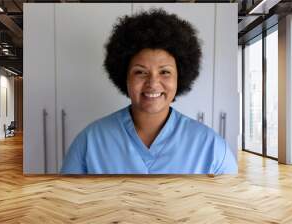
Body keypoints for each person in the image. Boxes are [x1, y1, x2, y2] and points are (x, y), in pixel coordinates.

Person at [60, 8, 237, 174]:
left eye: (165, 72)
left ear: (180, 77)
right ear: (125, 77)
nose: (152, 83)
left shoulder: (211, 146)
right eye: (140, 72)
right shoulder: (90, 142)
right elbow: (65, 201)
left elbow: (230, 203)